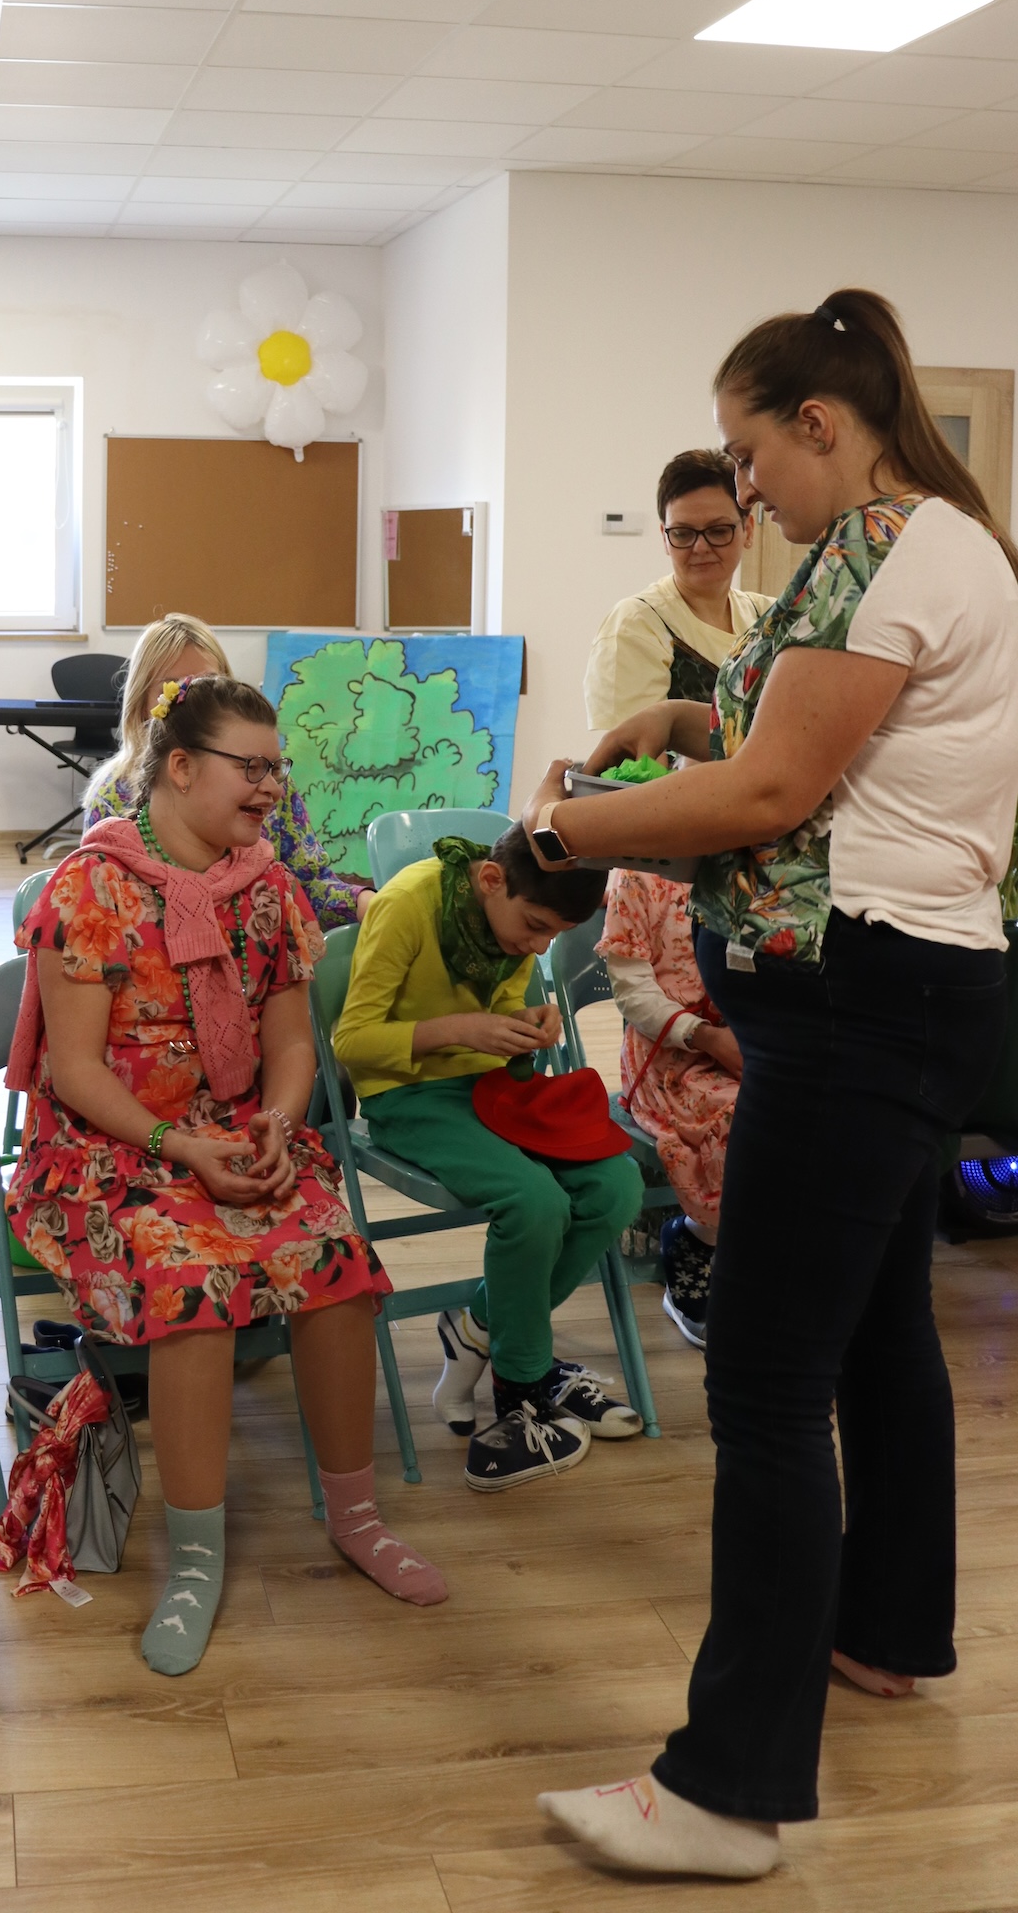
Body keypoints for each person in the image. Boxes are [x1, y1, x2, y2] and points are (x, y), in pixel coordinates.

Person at [523, 289, 1018, 1879]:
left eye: (750, 457)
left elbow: (779, 787)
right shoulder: (887, 547)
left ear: (823, 423)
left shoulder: (907, 549)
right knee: (874, 1329)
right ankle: (888, 1629)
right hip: (877, 996)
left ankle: (727, 1794)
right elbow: (798, 727)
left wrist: (558, 833)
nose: (743, 492)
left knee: (763, 1378)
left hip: (865, 1005)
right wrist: (681, 714)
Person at [7, 672, 447, 1674]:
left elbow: (291, 1044)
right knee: (193, 1287)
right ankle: (194, 1560)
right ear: (178, 767)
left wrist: (280, 1126)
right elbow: (74, 1072)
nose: (270, 788)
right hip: (108, 1152)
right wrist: (178, 1147)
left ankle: (357, 1519)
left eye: (275, 769)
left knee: (336, 1261)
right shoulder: (91, 886)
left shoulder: (269, 889)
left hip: (235, 1133)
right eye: (250, 768)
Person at [332, 827, 644, 1492]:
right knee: (535, 1203)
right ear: (491, 880)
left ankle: (478, 1323)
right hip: (407, 1096)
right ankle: (521, 1382)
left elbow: (502, 1008)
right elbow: (352, 1042)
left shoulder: (511, 924)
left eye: (554, 936)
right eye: (534, 927)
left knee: (617, 1186)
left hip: (487, 1088)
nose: (539, 946)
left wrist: (528, 1024)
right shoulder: (408, 902)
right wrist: (461, 1030)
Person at [84, 611, 373, 928]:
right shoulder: (113, 796)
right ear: (142, 701)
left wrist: (372, 903)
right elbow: (100, 907)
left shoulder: (267, 782)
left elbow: (309, 884)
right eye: (174, 692)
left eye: (207, 685)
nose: (192, 708)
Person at [598, 864, 742, 1347]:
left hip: (748, 1037)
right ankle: (697, 1240)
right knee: (742, 1118)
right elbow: (633, 993)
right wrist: (709, 1038)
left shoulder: (749, 859)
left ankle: (757, 1261)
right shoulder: (637, 874)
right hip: (667, 1058)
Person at [585, 448, 774, 730]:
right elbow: (636, 752)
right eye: (683, 534)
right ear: (664, 537)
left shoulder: (768, 615)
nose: (701, 547)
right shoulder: (637, 623)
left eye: (718, 530)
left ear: (748, 530)